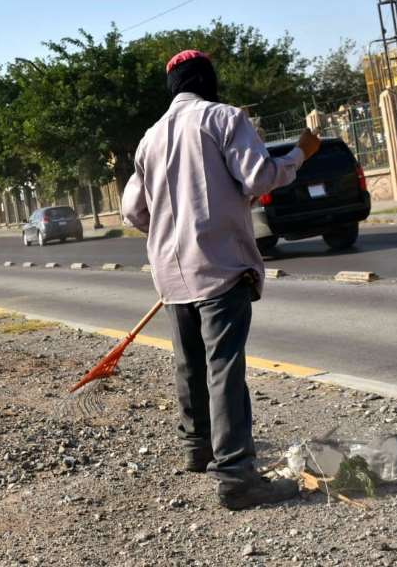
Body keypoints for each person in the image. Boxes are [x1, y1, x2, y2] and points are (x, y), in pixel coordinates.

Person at [121, 50, 321, 510]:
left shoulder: (149, 139)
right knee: (224, 368)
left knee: (190, 364)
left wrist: (170, 230)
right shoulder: (224, 118)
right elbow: (258, 176)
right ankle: (235, 476)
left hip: (171, 273)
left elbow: (133, 211)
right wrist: (299, 154)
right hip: (220, 266)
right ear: (208, 80)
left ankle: (199, 449)